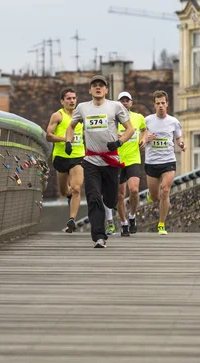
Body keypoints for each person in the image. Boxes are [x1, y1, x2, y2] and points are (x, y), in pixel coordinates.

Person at [65, 75, 135, 248]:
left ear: (106, 90)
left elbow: (130, 129)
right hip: (90, 161)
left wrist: (119, 142)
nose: (98, 88)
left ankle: (109, 204)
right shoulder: (82, 108)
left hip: (110, 160)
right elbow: (71, 126)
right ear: (90, 90)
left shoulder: (115, 106)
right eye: (94, 85)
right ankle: (99, 236)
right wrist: (68, 141)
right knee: (94, 197)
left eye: (101, 86)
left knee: (110, 200)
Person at [143, 90, 185, 235]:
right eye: (158, 103)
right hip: (152, 162)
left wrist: (181, 143)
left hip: (168, 161)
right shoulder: (147, 120)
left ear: (167, 104)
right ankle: (150, 194)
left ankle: (161, 224)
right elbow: (140, 139)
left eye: (163, 103)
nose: (160, 105)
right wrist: (146, 139)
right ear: (154, 105)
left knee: (165, 190)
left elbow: (179, 137)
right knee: (155, 197)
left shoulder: (174, 121)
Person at [46, 88, 84, 233]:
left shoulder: (81, 115)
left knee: (76, 188)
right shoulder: (57, 116)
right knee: (64, 191)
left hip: (78, 156)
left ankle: (72, 219)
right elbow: (48, 135)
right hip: (61, 157)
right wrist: (65, 139)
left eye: (74, 98)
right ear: (62, 101)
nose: (72, 101)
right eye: (68, 98)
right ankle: (69, 196)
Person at [115, 91, 147, 236]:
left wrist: (144, 139)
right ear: (118, 103)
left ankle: (132, 215)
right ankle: (123, 223)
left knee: (134, 190)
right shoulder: (113, 120)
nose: (124, 103)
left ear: (131, 103)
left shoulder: (138, 117)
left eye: (127, 100)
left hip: (133, 158)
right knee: (120, 195)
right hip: (117, 160)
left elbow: (144, 130)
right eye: (122, 100)